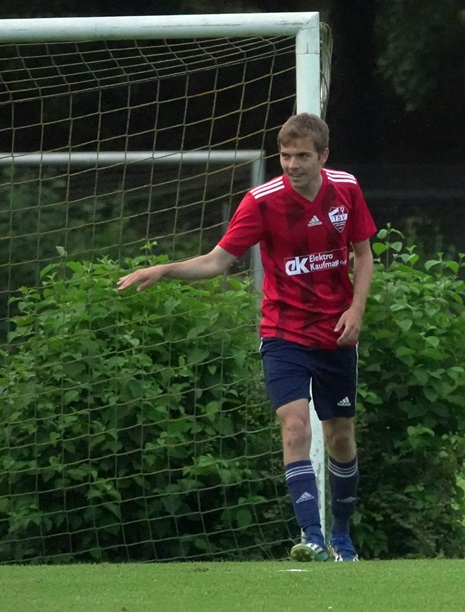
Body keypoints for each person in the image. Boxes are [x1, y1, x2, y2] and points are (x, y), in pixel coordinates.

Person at [118, 113, 376, 563]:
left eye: (302, 156)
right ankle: (312, 538)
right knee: (294, 426)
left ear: (323, 156)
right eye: (285, 156)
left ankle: (341, 536)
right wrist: (165, 269)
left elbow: (364, 254)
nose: (292, 165)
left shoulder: (346, 189)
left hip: (335, 334)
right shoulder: (261, 202)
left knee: (340, 436)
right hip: (283, 332)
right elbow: (217, 261)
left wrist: (356, 310)